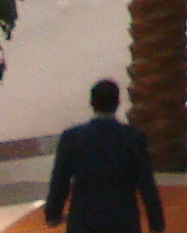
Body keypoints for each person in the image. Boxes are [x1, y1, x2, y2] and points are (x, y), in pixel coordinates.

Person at [44, 79, 163, 233]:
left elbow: (60, 180)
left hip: (84, 221)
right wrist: (156, 221)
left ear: (91, 103)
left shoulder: (72, 137)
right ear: (118, 103)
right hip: (123, 221)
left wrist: (53, 213)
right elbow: (147, 184)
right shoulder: (133, 138)